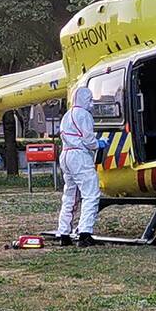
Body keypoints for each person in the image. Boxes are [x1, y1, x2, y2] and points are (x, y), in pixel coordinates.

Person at [55, 87, 108, 248]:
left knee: (70, 195)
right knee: (91, 194)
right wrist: (99, 144)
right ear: (85, 100)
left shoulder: (67, 115)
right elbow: (89, 140)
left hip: (66, 155)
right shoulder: (84, 115)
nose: (91, 103)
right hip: (79, 156)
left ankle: (64, 233)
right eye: (90, 99)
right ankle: (85, 233)